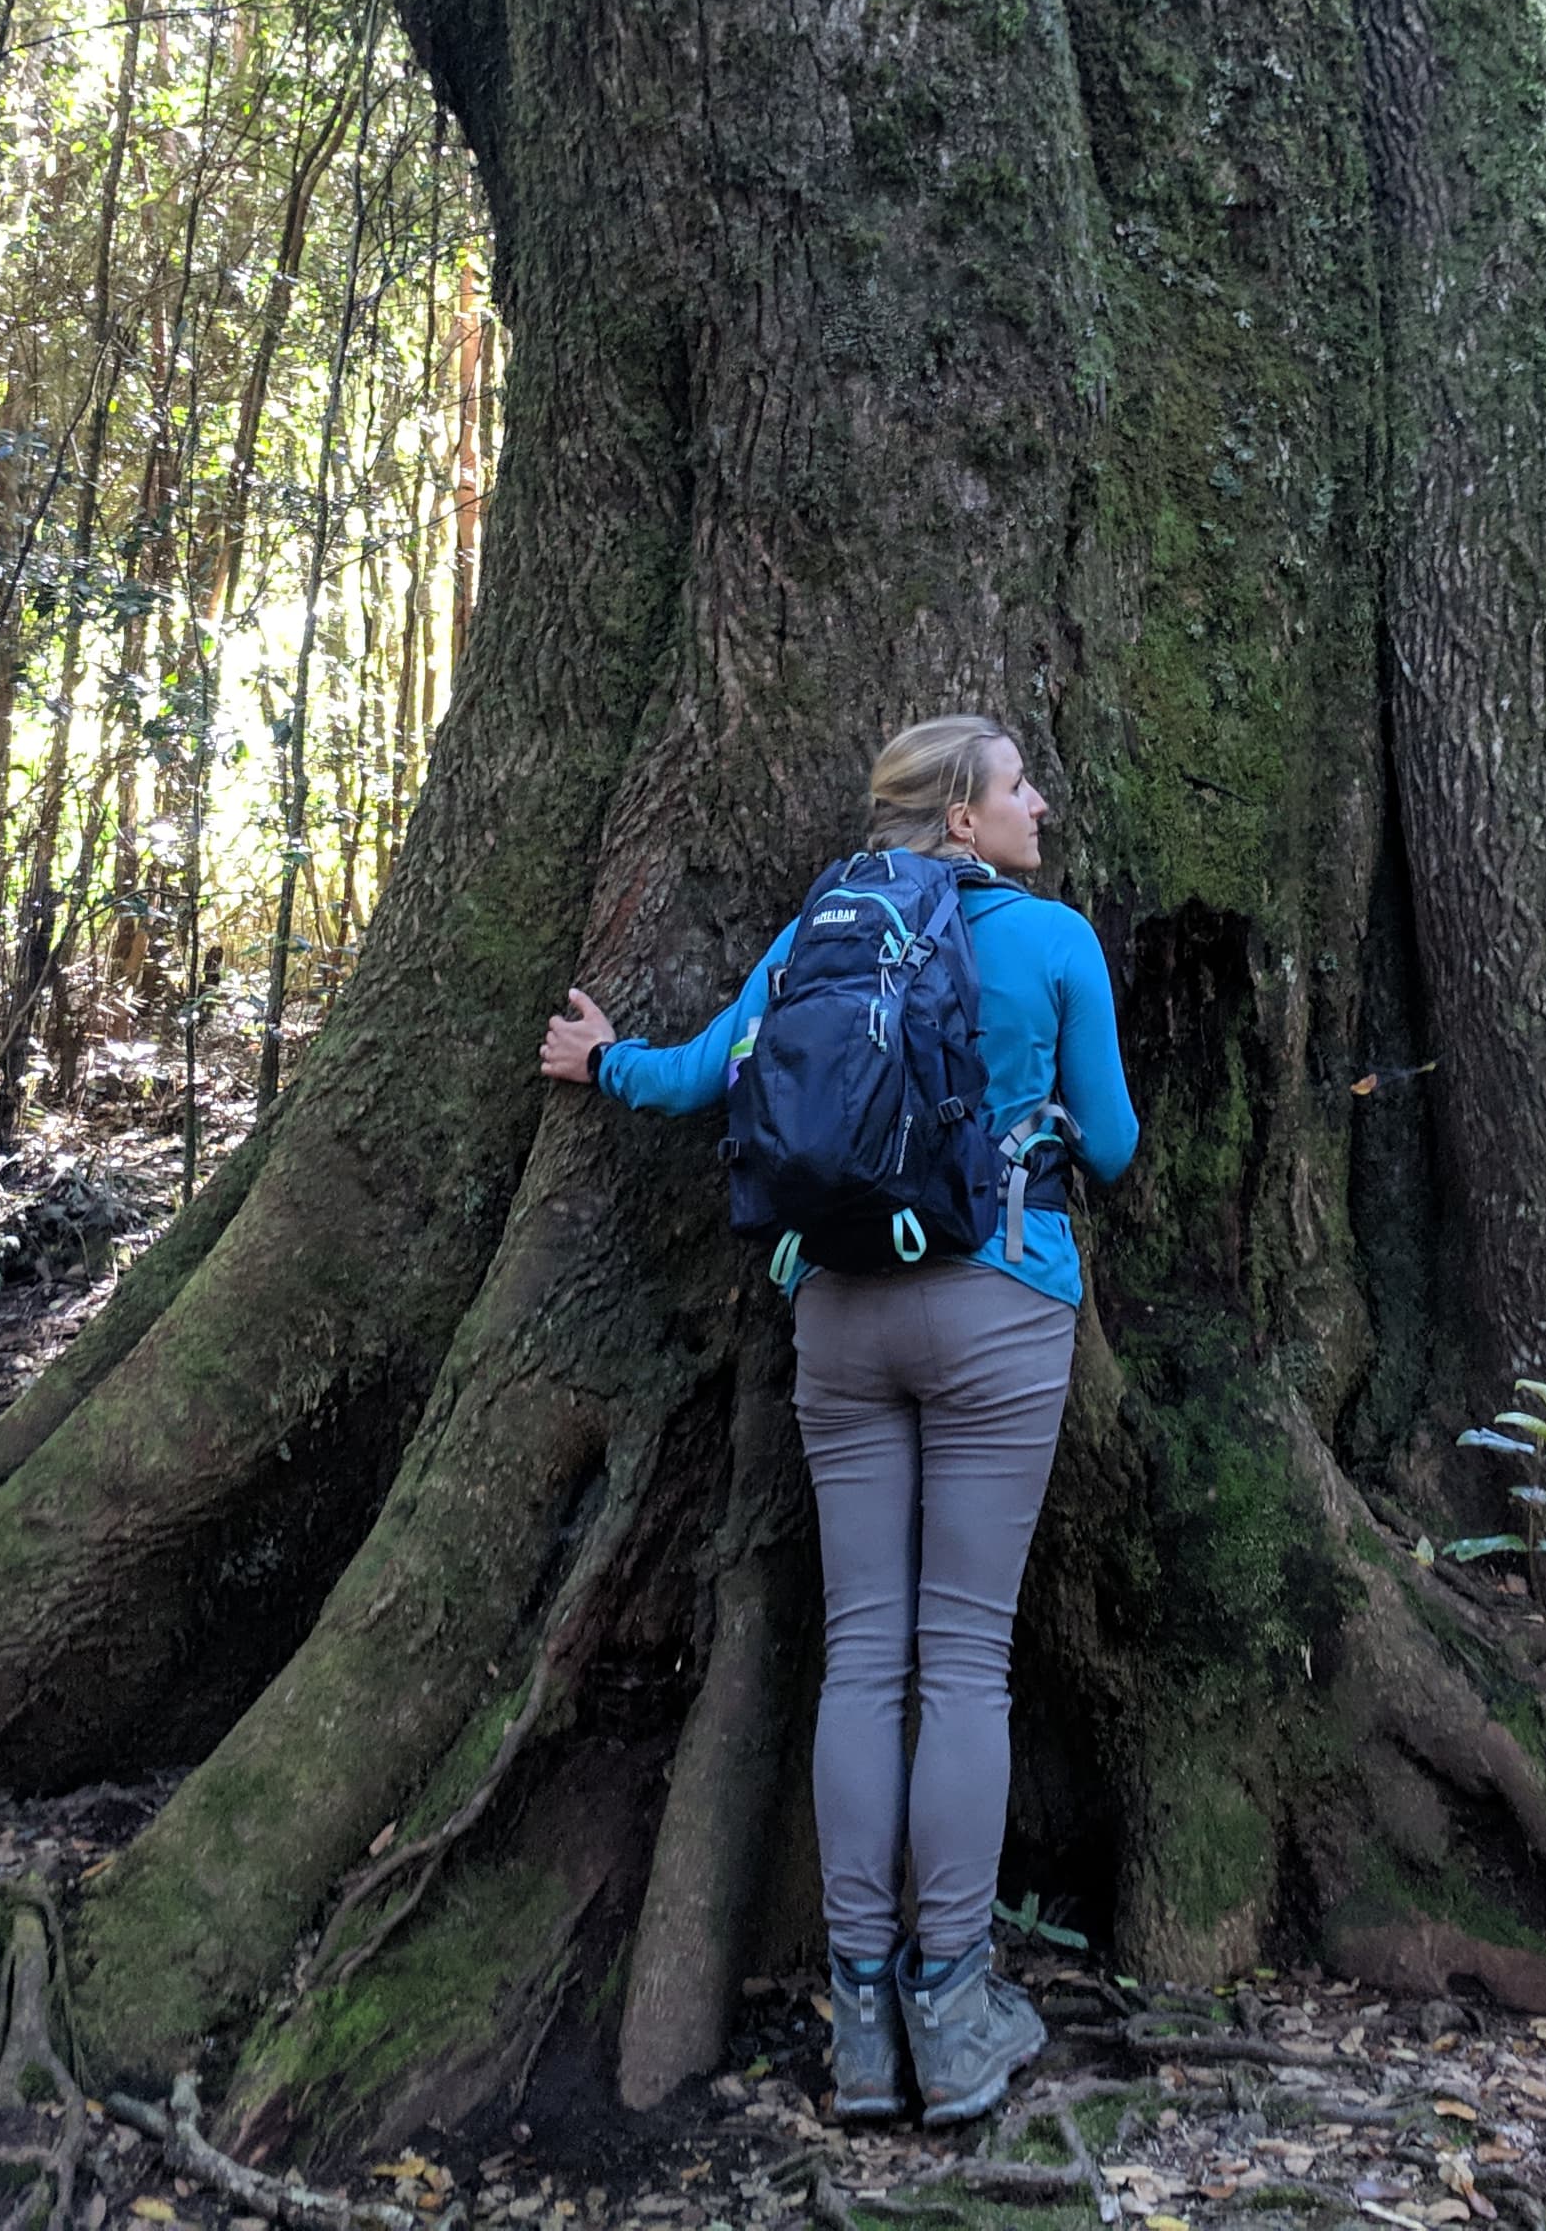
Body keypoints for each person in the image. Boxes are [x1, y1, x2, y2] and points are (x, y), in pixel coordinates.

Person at [539, 716, 1138, 2124]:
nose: (1040, 799)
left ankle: (865, 2025)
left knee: (865, 1655)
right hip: (998, 1310)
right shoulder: (1053, 945)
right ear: (965, 820)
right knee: (966, 1663)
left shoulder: (828, 922)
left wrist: (604, 1060)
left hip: (842, 1315)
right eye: (1017, 784)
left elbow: (702, 1078)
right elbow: (1107, 1149)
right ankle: (957, 2006)